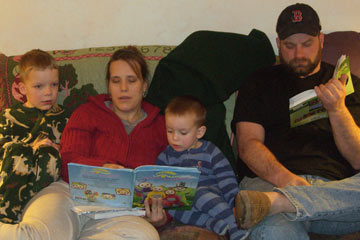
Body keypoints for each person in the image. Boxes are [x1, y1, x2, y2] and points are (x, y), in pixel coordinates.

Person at [232, 3, 360, 240]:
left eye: (307, 44)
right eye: (290, 46)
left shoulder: (346, 83)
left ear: (321, 40)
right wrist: (287, 181)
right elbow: (248, 145)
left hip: (334, 196)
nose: (299, 54)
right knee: (275, 232)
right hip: (270, 183)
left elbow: (357, 157)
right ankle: (280, 202)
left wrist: (337, 109)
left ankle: (280, 203)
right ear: (279, 43)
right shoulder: (258, 82)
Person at [60, 46, 169, 239]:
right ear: (108, 86)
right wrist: (103, 168)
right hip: (70, 197)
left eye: (132, 80)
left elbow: (170, 181)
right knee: (37, 231)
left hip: (122, 215)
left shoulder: (162, 126)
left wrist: (161, 218)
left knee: (145, 236)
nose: (123, 88)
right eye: (116, 81)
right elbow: (67, 160)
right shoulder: (87, 113)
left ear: (144, 85)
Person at [156, 96, 248, 240]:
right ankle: (210, 222)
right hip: (186, 205)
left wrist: (235, 204)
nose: (174, 138)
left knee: (197, 192)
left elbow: (227, 180)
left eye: (183, 132)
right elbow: (160, 187)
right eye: (169, 131)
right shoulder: (165, 157)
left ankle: (235, 226)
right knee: (171, 205)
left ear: (199, 132)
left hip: (211, 196)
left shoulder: (210, 151)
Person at [0, 49, 70, 235]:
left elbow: (74, 150)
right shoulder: (9, 116)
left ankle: (23, 209)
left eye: (54, 85)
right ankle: (5, 215)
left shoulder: (64, 117)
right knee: (18, 152)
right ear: (23, 89)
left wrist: (59, 149)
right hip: (11, 176)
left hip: (44, 186)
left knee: (51, 154)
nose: (48, 92)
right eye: (39, 86)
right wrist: (30, 148)